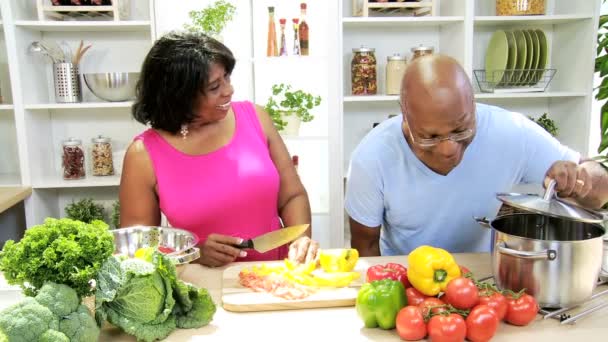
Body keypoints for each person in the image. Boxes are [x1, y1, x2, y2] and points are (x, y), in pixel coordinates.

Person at [345, 54, 608, 257]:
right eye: (430, 137)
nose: (449, 149)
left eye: (461, 129)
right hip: (408, 282)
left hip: (486, 278)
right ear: (404, 113)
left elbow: (601, 188)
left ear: (473, 103)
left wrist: (581, 182)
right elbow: (365, 247)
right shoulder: (372, 157)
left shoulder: (511, 132)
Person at [119, 31, 318, 267]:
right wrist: (193, 253)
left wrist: (301, 239)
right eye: (214, 87)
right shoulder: (143, 155)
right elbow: (138, 247)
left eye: (227, 77)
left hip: (275, 277)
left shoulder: (256, 118)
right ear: (179, 96)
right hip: (202, 290)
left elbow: (292, 196)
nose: (228, 90)